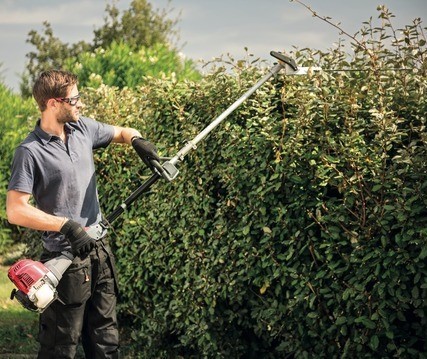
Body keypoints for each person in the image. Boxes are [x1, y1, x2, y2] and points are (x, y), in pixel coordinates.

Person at [6, 69, 159, 359]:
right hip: (64, 263)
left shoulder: (83, 129)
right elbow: (15, 210)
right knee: (60, 348)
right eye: (74, 99)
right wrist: (66, 226)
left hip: (99, 254)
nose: (80, 104)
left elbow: (122, 132)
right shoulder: (30, 151)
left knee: (106, 343)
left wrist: (138, 141)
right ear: (53, 103)